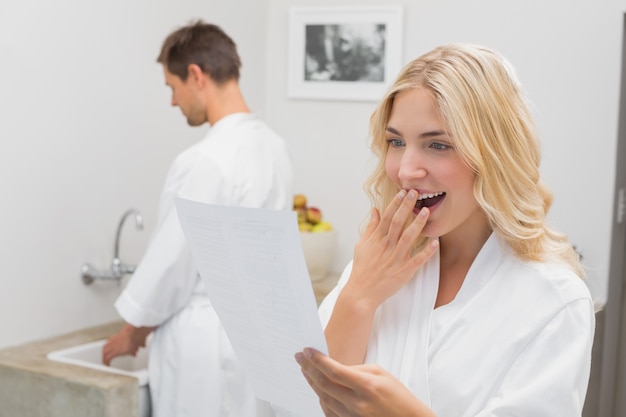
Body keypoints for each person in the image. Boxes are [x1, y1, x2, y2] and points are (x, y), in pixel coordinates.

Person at [294, 43, 595, 417]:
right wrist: (358, 298)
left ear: (495, 154)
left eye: (438, 145)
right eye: (396, 142)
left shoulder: (554, 301)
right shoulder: (376, 263)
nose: (406, 170)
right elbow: (305, 404)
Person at [102, 20, 293, 417]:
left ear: (195, 75)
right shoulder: (273, 147)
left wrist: (132, 332)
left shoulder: (204, 160)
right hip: (254, 335)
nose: (173, 102)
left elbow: (173, 265)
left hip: (203, 342)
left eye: (172, 88)